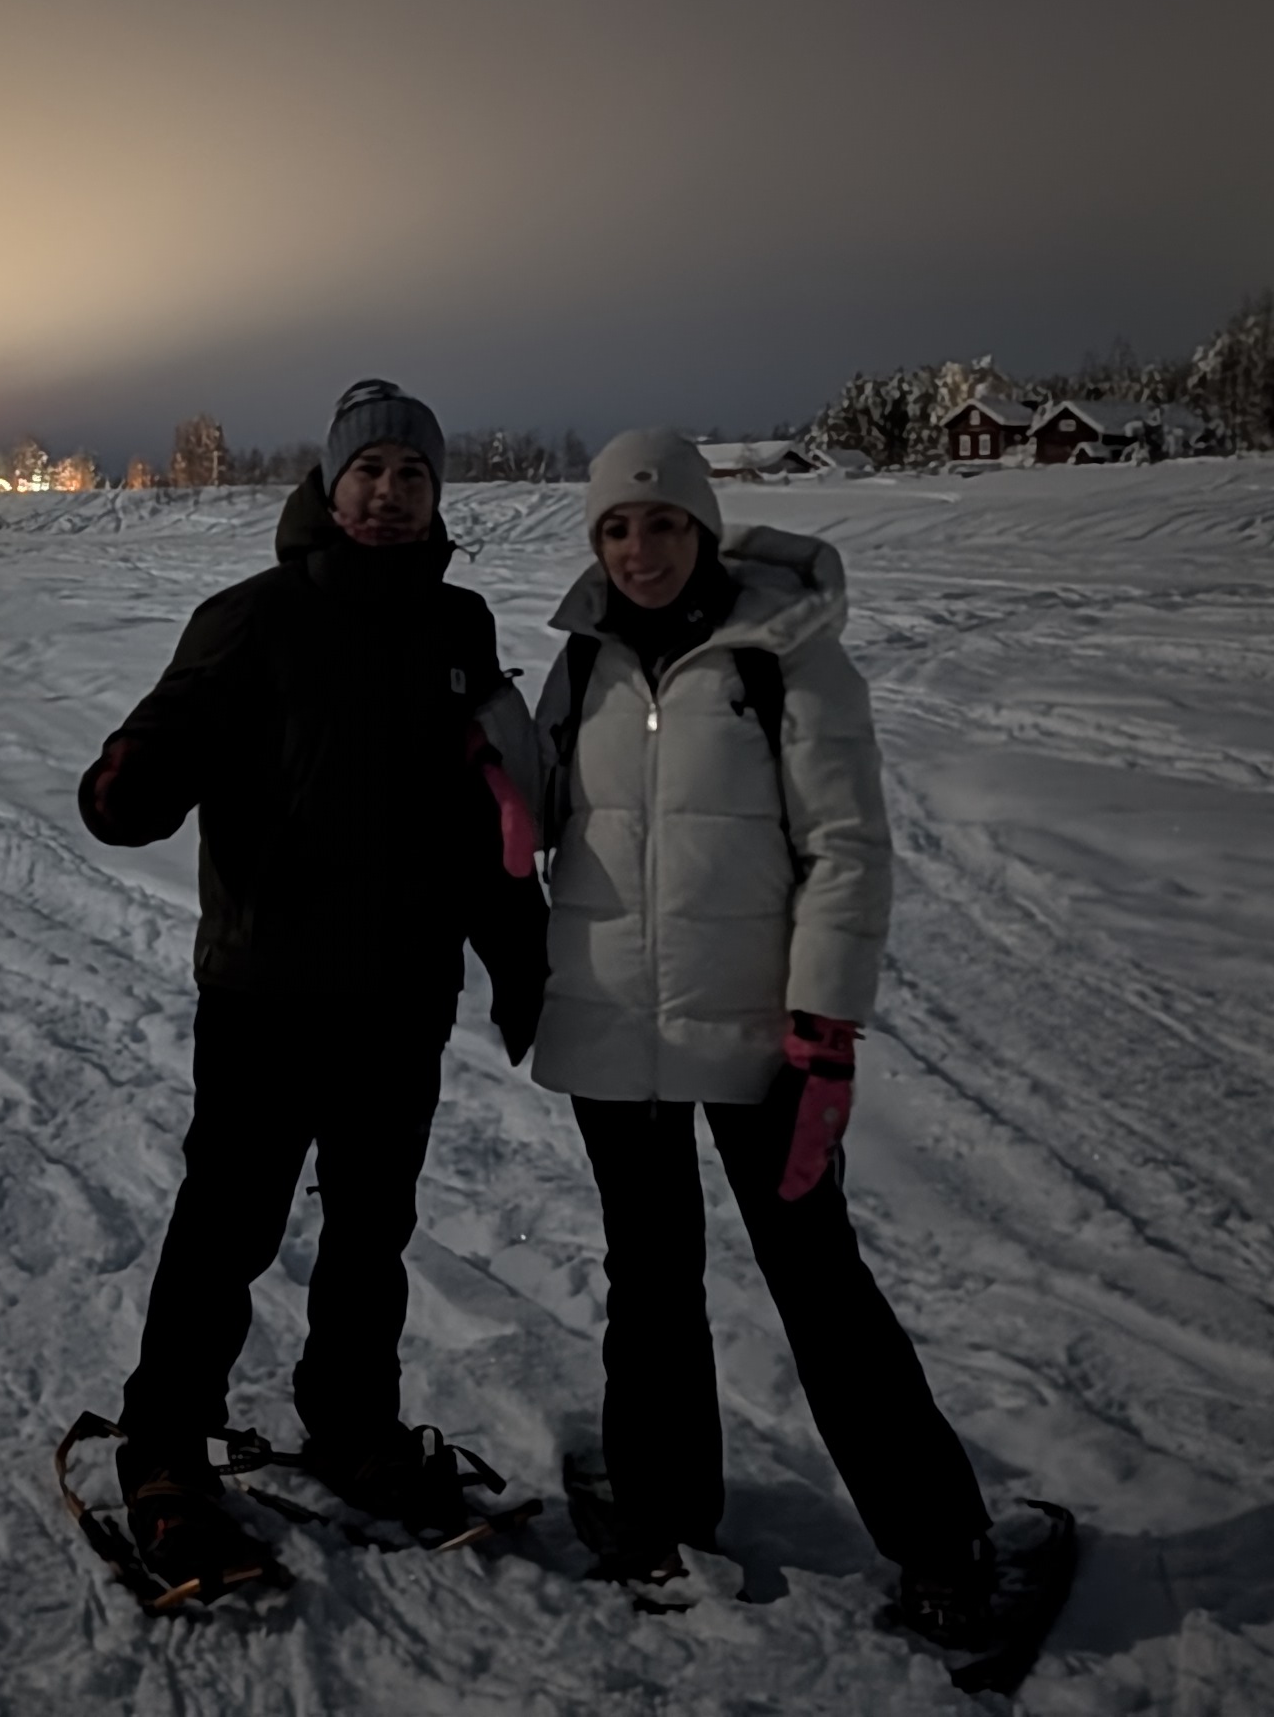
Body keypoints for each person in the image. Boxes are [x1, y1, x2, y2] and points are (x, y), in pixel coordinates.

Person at [526, 427, 1007, 1640]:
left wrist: (825, 1023)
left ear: (703, 528)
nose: (640, 550)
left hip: (764, 1036)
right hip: (613, 1026)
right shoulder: (582, 661)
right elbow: (547, 810)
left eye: (663, 524)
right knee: (650, 1279)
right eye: (616, 529)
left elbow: (847, 849)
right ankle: (662, 1514)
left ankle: (942, 1547)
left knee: (818, 1281)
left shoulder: (788, 655)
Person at [75, 377, 549, 1587]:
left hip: (402, 994)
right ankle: (165, 1448)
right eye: (368, 473)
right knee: (228, 1225)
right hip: (267, 992)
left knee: (372, 1230)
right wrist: (132, 783)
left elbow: (484, 812)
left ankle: (352, 1425)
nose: (389, 494)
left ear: (436, 496)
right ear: (330, 488)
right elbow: (157, 748)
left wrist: (520, 951)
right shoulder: (252, 618)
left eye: (412, 476)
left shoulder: (459, 628)